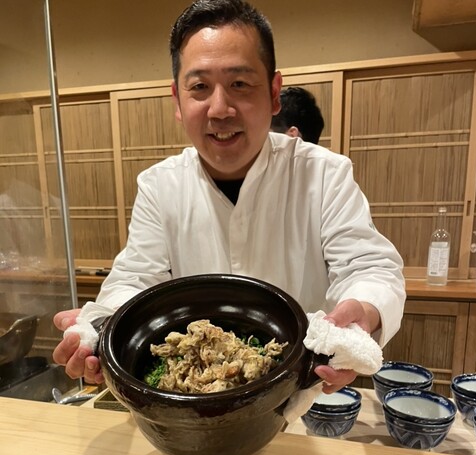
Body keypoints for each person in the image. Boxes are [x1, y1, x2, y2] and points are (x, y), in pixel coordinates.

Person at [53, 0, 405, 394]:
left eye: (239, 84)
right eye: (200, 87)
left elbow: (369, 268)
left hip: (304, 392)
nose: (220, 109)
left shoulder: (324, 174)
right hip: (194, 400)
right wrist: (100, 329)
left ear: (274, 93)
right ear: (178, 101)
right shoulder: (160, 186)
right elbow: (134, 280)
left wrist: (361, 313)